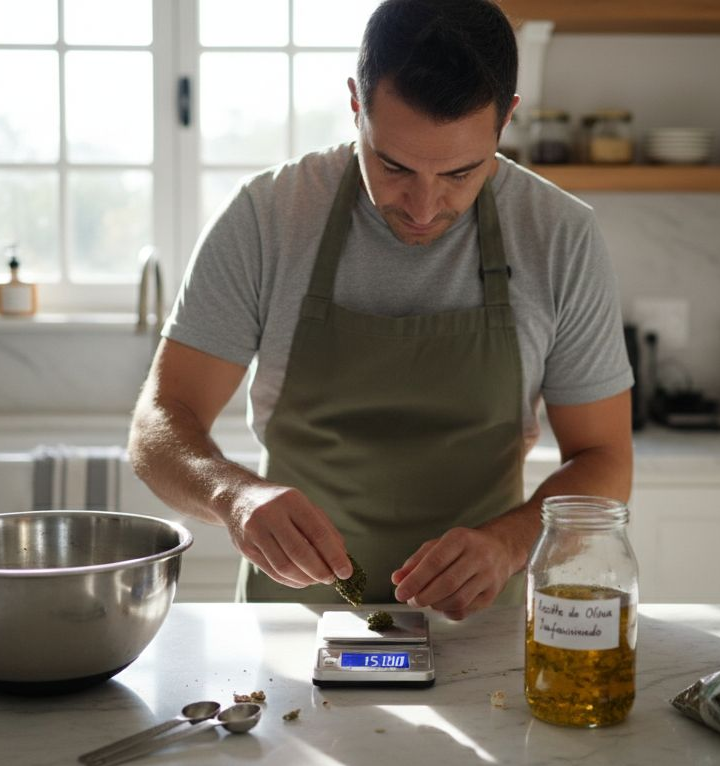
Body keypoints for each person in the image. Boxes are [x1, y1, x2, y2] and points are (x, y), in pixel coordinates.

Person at [129, 0, 632, 620]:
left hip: (483, 621)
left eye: (460, 173)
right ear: (354, 104)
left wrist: (508, 544)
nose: (423, 207)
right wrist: (234, 497)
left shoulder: (559, 235)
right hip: (290, 621)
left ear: (506, 121)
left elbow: (605, 459)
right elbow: (157, 426)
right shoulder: (269, 217)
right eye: (393, 165)